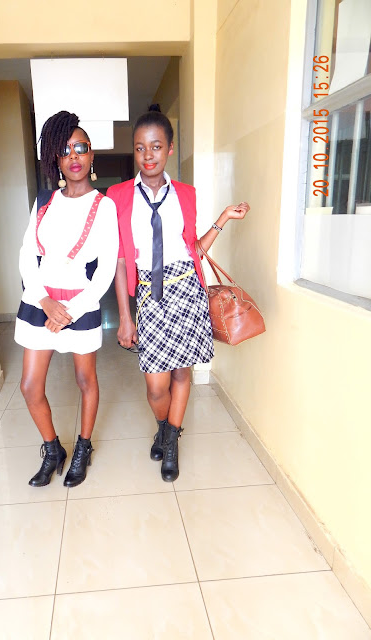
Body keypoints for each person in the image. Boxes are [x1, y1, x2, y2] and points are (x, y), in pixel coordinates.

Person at [107, 105, 249, 482]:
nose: (148, 155)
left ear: (169, 149)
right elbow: (120, 260)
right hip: (149, 296)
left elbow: (193, 249)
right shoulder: (118, 195)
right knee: (156, 385)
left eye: (156, 146)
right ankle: (164, 426)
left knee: (181, 373)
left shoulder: (186, 194)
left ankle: (170, 441)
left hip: (186, 289)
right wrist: (125, 317)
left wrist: (223, 218)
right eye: (140, 148)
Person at [15, 111, 118, 488]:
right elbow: (27, 254)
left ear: (92, 155)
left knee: (85, 379)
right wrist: (44, 301)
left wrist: (69, 311)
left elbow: (105, 269)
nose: (74, 156)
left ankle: (84, 447)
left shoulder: (104, 206)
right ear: (55, 159)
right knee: (30, 386)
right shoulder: (44, 201)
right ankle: (52, 449)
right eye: (64, 150)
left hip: (81, 306)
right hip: (38, 304)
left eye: (81, 148)